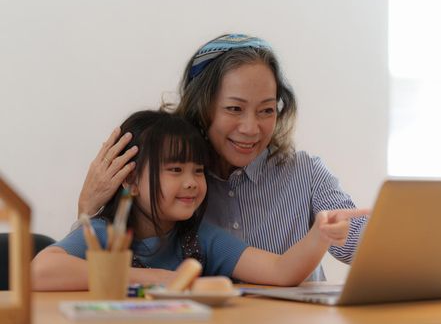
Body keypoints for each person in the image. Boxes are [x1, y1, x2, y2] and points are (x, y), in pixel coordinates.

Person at [76, 34, 369, 281]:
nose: (251, 128)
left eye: (267, 110)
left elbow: (356, 244)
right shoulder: (169, 188)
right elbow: (88, 262)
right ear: (202, 107)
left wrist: (339, 233)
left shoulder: (306, 172)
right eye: (234, 109)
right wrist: (88, 208)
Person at [32, 110, 366, 290]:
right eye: (175, 169)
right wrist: (155, 278)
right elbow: (40, 271)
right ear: (131, 180)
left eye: (199, 170)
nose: (192, 182)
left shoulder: (200, 239)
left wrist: (318, 237)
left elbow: (280, 271)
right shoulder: (107, 234)